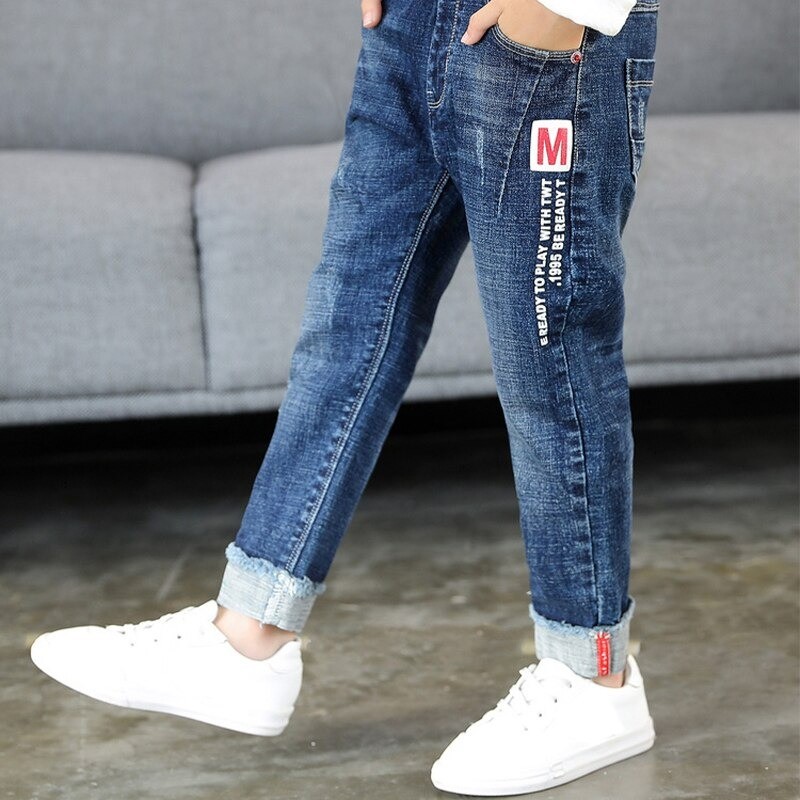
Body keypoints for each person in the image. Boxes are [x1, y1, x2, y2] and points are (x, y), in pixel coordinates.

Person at [30, 0, 660, 793]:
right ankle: (248, 631)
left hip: (539, 37)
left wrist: (557, 8)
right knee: (349, 322)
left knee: (551, 361)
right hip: (410, 25)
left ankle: (591, 675)